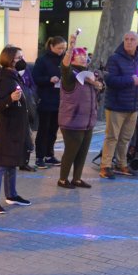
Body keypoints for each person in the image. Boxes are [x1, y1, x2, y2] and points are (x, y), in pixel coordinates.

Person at [0, 45, 33, 213]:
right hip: (6, 128)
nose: (22, 60)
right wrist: (11, 99)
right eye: (18, 57)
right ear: (9, 59)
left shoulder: (14, 76)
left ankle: (11, 195)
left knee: (12, 162)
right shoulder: (5, 79)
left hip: (16, 127)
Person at [99, 31, 138, 179]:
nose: (129, 42)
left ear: (137, 42)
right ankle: (105, 166)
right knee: (112, 137)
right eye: (126, 39)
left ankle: (121, 164)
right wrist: (131, 80)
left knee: (125, 138)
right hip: (116, 105)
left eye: (132, 39)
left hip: (133, 106)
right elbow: (110, 81)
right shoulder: (114, 58)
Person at [57, 43, 103, 188]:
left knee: (82, 152)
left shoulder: (90, 75)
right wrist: (70, 48)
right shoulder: (70, 75)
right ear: (72, 59)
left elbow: (98, 92)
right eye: (79, 56)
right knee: (71, 152)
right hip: (72, 121)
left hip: (87, 121)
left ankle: (77, 178)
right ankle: (63, 179)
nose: (83, 58)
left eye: (84, 55)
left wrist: (98, 85)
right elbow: (64, 67)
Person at [32, 36, 66, 169]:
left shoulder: (64, 60)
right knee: (44, 129)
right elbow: (36, 78)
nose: (61, 51)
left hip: (60, 100)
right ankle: (40, 157)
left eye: (63, 48)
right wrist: (49, 79)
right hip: (46, 98)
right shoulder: (42, 60)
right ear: (51, 46)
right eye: (59, 48)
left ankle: (49, 154)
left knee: (53, 129)